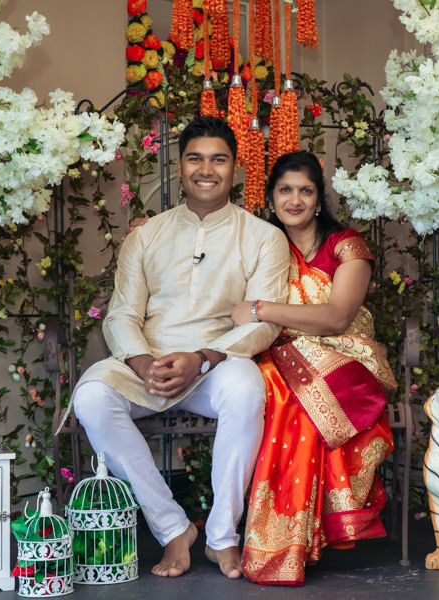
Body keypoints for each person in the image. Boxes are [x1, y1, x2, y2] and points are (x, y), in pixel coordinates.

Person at [69, 116, 290, 580]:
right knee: (91, 396)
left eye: (218, 159)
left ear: (236, 169)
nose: (206, 169)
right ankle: (173, 528)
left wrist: (202, 358)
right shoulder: (145, 236)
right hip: (149, 363)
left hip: (216, 363)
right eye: (195, 158)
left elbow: (264, 320)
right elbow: (122, 314)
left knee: (246, 388)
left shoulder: (264, 238)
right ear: (179, 166)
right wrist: (143, 362)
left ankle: (222, 536)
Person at [231, 151, 397, 586]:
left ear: (319, 199)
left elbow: (338, 317)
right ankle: (289, 538)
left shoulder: (346, 245)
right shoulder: (262, 244)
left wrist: (262, 309)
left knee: (295, 396)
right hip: (279, 351)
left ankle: (291, 542)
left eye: (305, 190)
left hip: (344, 354)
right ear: (271, 197)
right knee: (270, 386)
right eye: (285, 190)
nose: (295, 199)